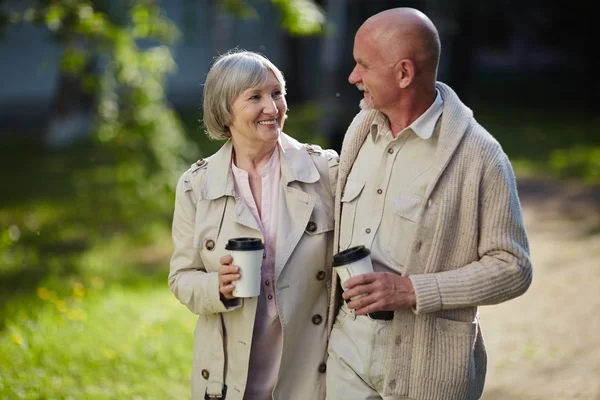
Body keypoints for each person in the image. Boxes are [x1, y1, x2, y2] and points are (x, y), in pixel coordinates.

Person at [326, 8, 533, 400]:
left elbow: (514, 268)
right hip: (346, 357)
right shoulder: (360, 128)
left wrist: (412, 291)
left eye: (363, 66)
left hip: (427, 373)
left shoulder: (480, 156)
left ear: (404, 74)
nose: (353, 77)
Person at [169, 50, 338, 400]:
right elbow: (181, 277)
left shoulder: (324, 171)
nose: (272, 108)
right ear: (224, 109)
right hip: (229, 378)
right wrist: (217, 286)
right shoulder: (195, 186)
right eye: (255, 97)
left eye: (277, 93)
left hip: (311, 373)